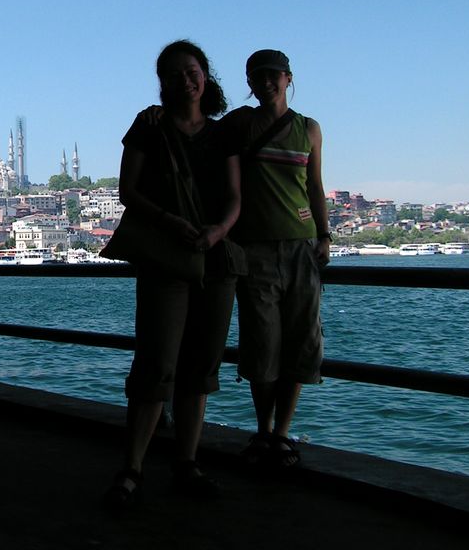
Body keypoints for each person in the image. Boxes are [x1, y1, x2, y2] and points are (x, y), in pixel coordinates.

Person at [102, 41, 241, 510]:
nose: (186, 81)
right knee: (156, 363)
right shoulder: (148, 127)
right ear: (163, 83)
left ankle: (186, 461)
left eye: (192, 71)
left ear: (205, 75)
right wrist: (173, 223)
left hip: (214, 258)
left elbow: (235, 198)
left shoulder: (223, 135)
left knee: (199, 366)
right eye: (176, 74)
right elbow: (128, 192)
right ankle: (133, 468)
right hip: (166, 256)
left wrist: (216, 232)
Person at [221, 49, 330, 468]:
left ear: (287, 78)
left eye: (273, 75)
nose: (266, 82)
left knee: (300, 342)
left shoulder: (309, 130)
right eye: (257, 76)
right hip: (254, 249)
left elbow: (315, 187)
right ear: (249, 82)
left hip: (301, 247)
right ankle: (265, 429)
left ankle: (280, 433)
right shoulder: (239, 124)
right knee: (262, 344)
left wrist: (324, 235)